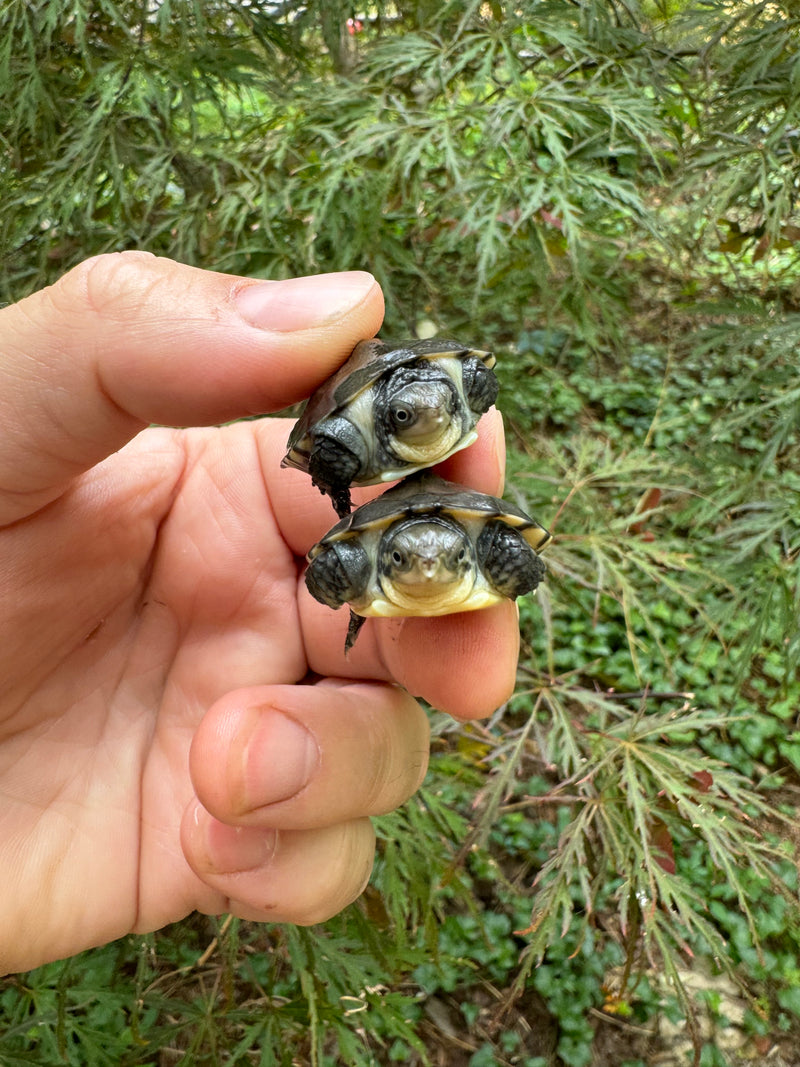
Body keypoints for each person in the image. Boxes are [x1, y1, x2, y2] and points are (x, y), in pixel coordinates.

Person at [0, 252, 519, 976]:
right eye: (405, 416)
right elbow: (333, 456)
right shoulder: (357, 427)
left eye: (441, 406)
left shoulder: (457, 391)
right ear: (389, 413)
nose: (428, 420)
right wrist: (340, 519)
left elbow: (480, 406)